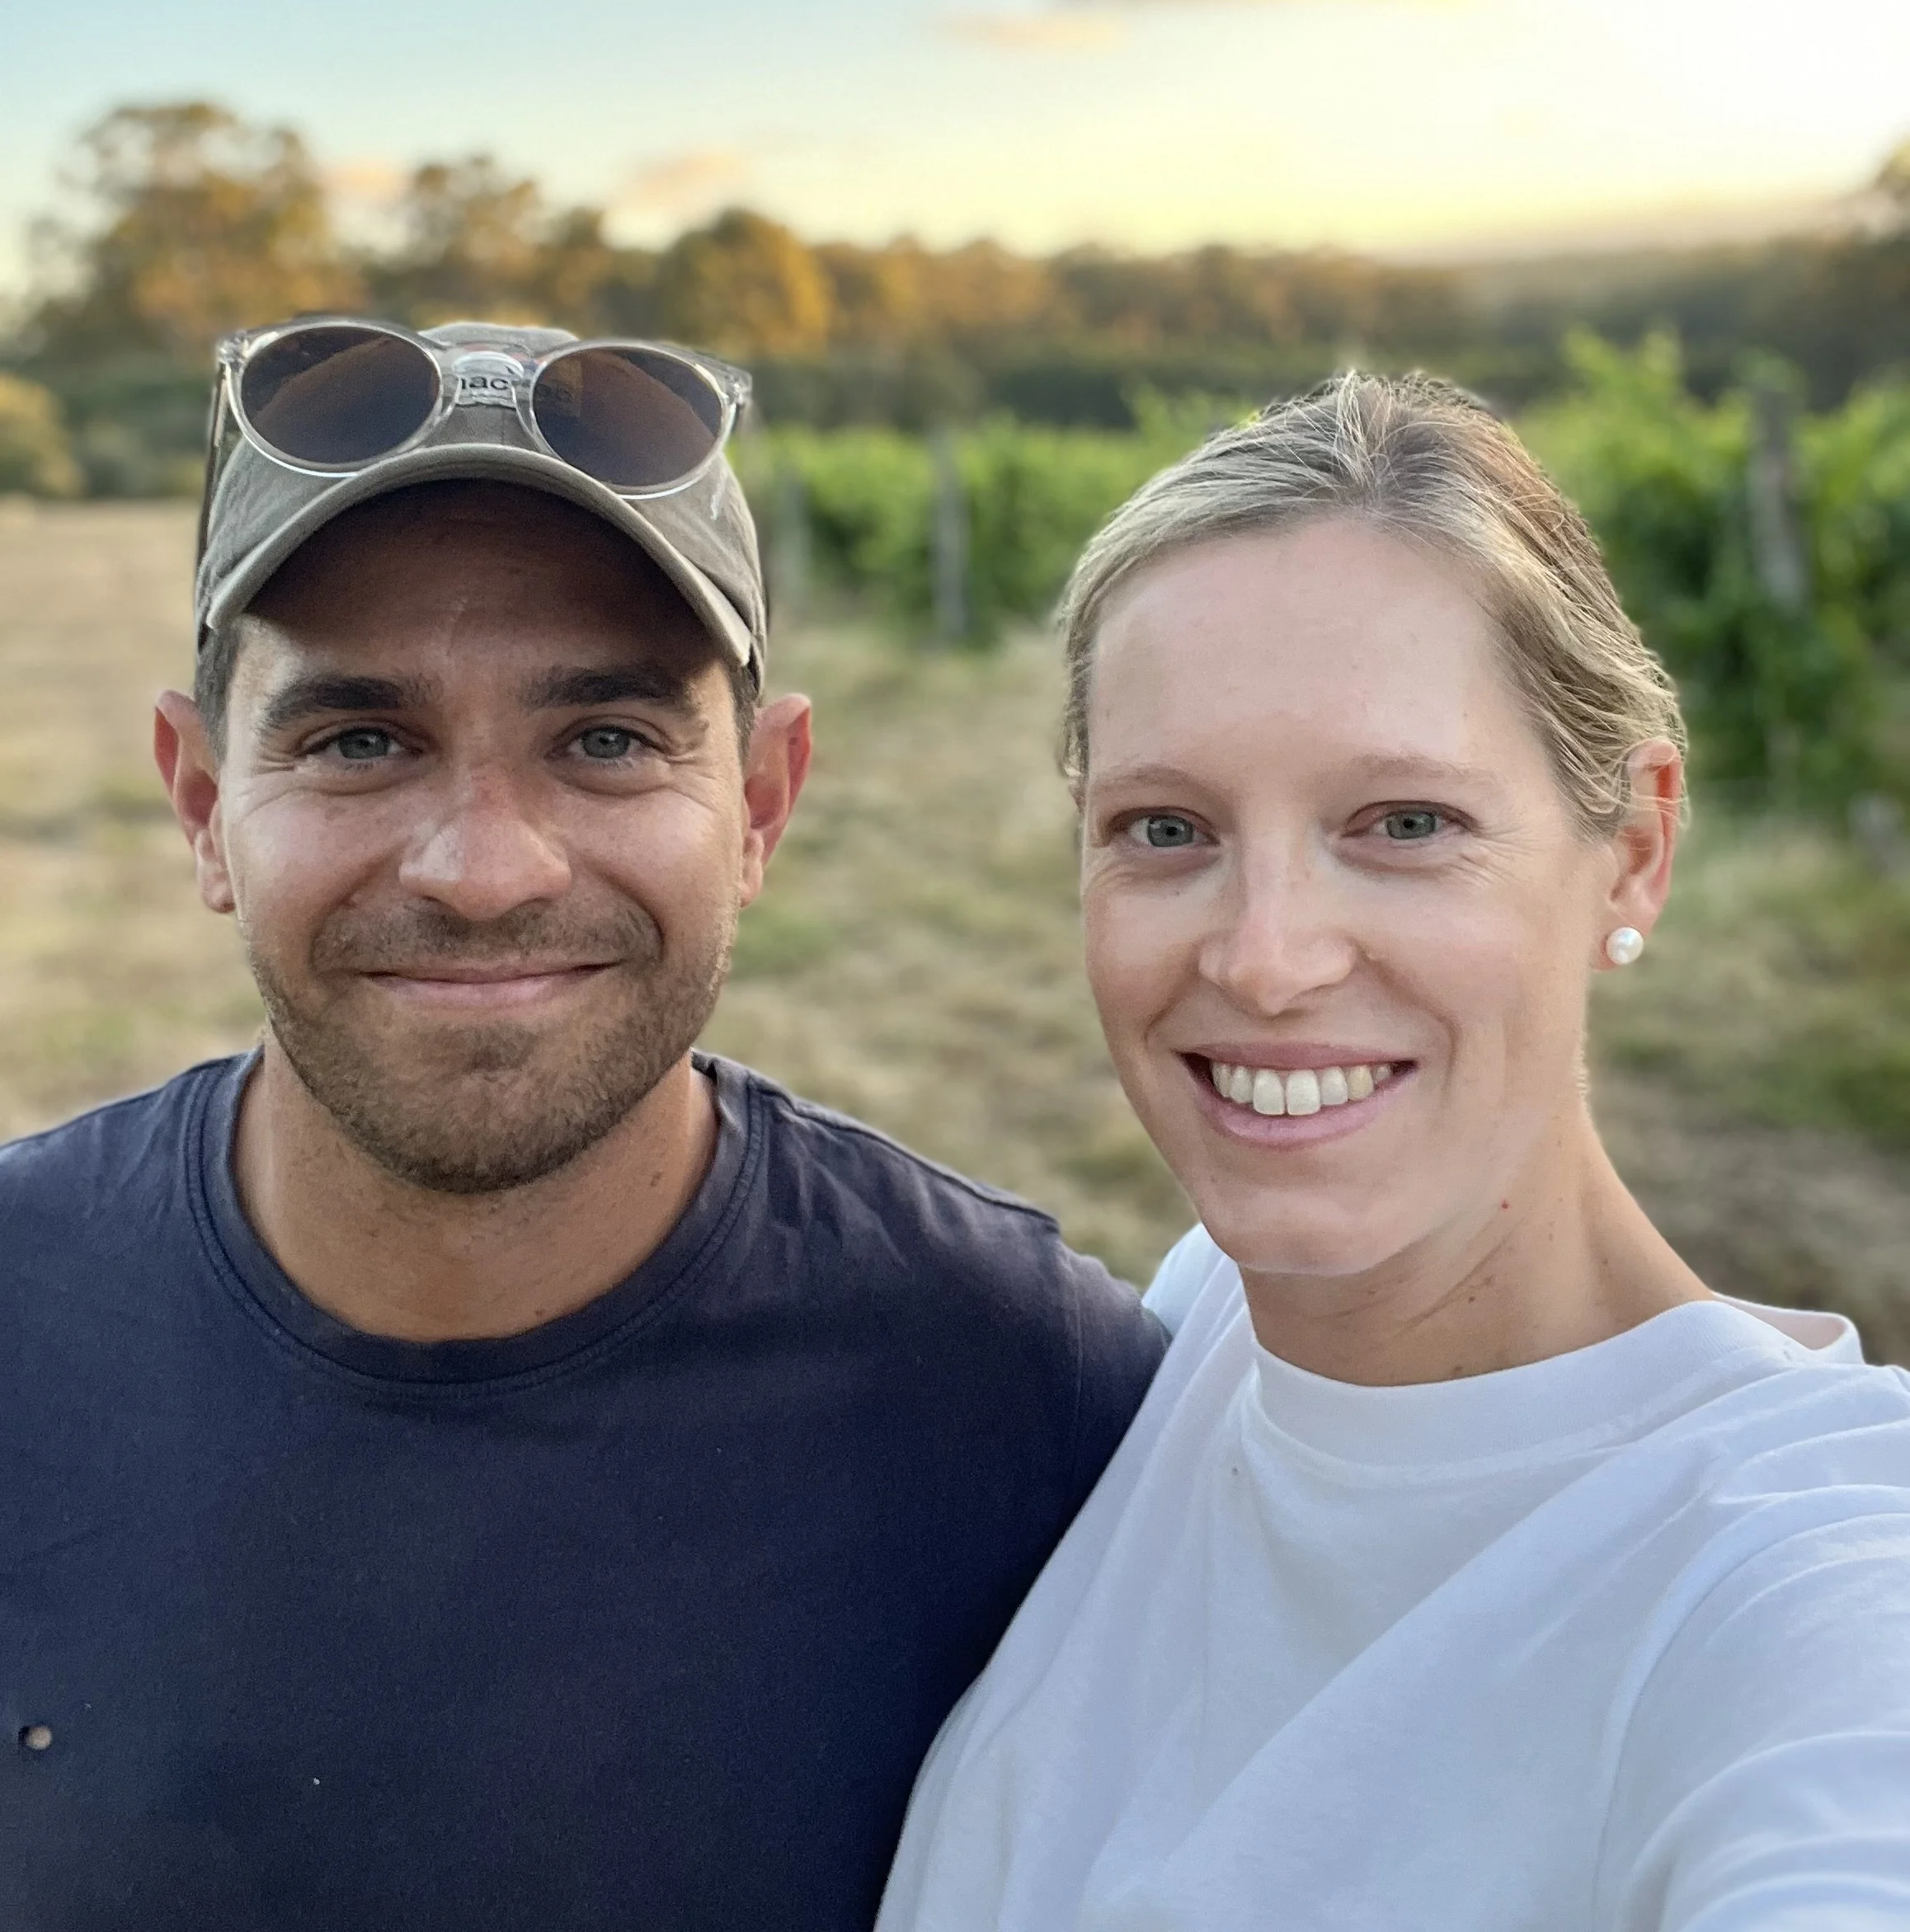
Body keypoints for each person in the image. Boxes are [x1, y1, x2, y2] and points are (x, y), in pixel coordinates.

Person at [0, 317, 1165, 1932]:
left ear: (761, 802)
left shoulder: (1044, 1405)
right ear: (201, 801)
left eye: (607, 739)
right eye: (359, 739)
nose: (487, 867)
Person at [881, 369, 1910, 1932]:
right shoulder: (1210, 1328)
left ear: (1634, 850)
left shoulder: (1806, 1579)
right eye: (1168, 830)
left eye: (1405, 823)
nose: (1268, 958)